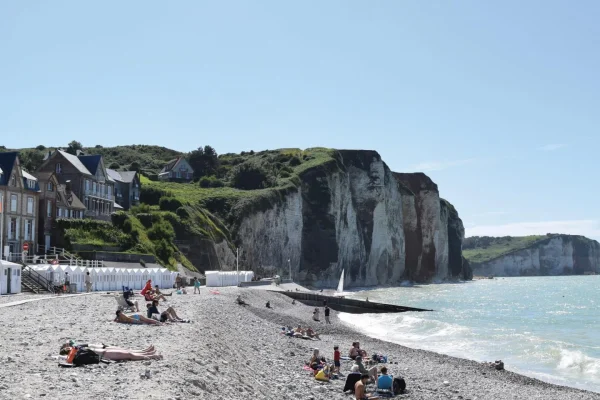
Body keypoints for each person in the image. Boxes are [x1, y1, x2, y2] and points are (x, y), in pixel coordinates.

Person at [59, 344, 163, 362]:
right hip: (105, 355)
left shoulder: (75, 350)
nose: (69, 347)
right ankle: (152, 356)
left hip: (105, 351)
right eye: (67, 348)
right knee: (129, 355)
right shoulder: (74, 354)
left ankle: (146, 351)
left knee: (128, 351)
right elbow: (69, 359)